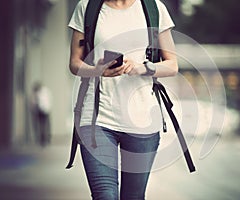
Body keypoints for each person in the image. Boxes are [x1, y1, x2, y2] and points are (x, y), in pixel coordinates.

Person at [68, 0, 178, 199]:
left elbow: (172, 65)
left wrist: (142, 68)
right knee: (104, 195)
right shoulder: (87, 7)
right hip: (95, 119)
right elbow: (75, 63)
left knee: (133, 197)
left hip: (142, 121)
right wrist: (96, 70)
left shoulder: (154, 8)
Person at [30, 82, 52, 146]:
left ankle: (44, 140)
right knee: (45, 126)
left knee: (43, 126)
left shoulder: (39, 93)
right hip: (45, 110)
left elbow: (36, 103)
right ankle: (45, 139)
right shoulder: (45, 91)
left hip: (42, 111)